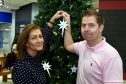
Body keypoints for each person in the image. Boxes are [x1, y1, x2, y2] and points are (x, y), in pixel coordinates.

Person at [63, 9, 123, 84]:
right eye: (83, 25)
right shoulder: (82, 45)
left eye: (91, 25)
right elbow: (68, 45)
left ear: (101, 28)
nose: (86, 29)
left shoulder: (111, 55)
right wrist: (67, 23)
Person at [12, 11, 63, 84]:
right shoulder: (21, 68)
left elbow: (45, 36)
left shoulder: (34, 56)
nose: (39, 40)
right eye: (34, 38)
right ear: (26, 42)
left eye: (40, 36)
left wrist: (52, 20)